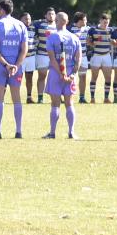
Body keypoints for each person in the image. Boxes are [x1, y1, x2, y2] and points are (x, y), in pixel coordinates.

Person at [0, 0, 29, 139]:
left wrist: (6, 64)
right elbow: (24, 49)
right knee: (17, 98)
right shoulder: (21, 25)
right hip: (16, 66)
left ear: (1, 10)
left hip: (0, 65)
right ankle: (19, 131)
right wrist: (16, 65)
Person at [42, 11, 81, 139]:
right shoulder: (74, 38)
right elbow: (78, 59)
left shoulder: (52, 37)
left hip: (55, 73)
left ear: (56, 21)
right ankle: (71, 132)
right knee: (69, 103)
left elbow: (52, 59)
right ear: (67, 22)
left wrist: (60, 73)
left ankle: (52, 132)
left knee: (55, 104)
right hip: (70, 73)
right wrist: (73, 74)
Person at [88, 13, 115, 103]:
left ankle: (106, 98)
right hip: (96, 56)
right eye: (104, 22)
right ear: (100, 21)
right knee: (94, 77)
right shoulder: (93, 30)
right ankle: (92, 98)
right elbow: (88, 41)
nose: (106, 24)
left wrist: (113, 42)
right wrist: (92, 44)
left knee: (108, 78)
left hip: (106, 56)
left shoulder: (111, 30)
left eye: (107, 22)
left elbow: (115, 42)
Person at [31, 8, 55, 102]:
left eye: (53, 14)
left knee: (56, 77)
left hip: (55, 56)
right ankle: (40, 98)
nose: (51, 16)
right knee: (42, 76)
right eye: (49, 14)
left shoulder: (58, 25)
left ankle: (57, 96)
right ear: (45, 16)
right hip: (42, 54)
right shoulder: (39, 25)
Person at [20, 12, 37, 103]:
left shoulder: (33, 28)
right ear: (21, 20)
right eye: (26, 19)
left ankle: (29, 97)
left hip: (31, 57)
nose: (28, 21)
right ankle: (16, 97)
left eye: (29, 19)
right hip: (20, 58)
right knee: (18, 78)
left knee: (29, 77)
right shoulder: (18, 28)